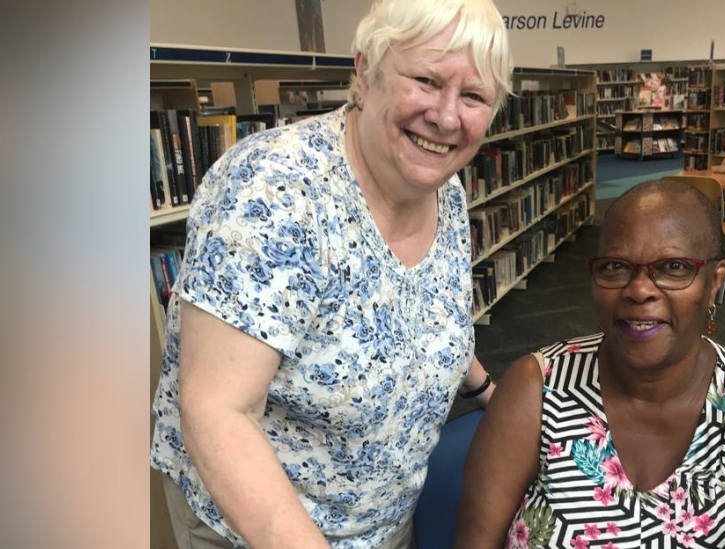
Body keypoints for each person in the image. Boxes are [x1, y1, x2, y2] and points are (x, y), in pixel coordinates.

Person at [149, 1, 513, 548]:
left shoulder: (447, 191)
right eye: (425, 80)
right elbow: (217, 410)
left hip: (383, 519)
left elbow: (425, 314)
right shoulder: (275, 191)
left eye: (474, 96)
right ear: (365, 70)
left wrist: (490, 391)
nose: (446, 116)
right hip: (255, 530)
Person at [456, 180, 725, 549]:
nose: (639, 289)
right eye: (616, 267)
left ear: (714, 283)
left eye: (674, 267)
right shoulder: (537, 386)